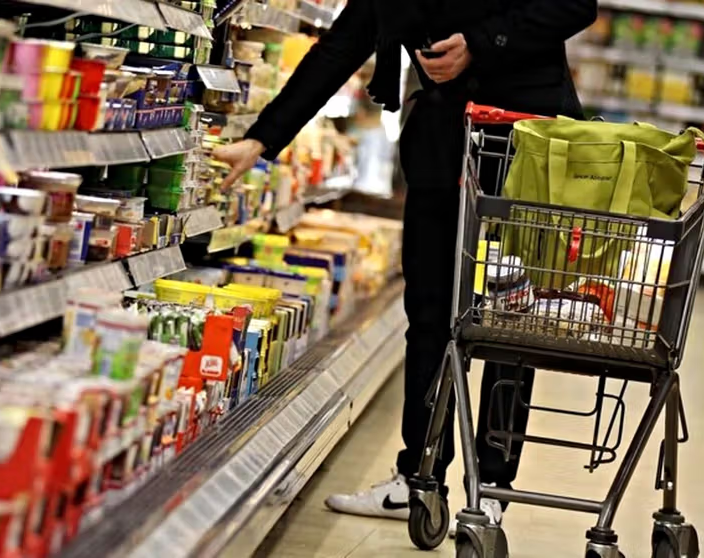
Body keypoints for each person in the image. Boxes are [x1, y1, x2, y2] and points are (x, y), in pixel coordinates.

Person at [213, 0, 597, 530]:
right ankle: (418, 478)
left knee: (511, 320)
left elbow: (574, 5)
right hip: (443, 144)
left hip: (525, 146)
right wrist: (262, 139)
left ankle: (491, 486)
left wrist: (479, 45)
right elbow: (343, 44)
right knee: (429, 314)